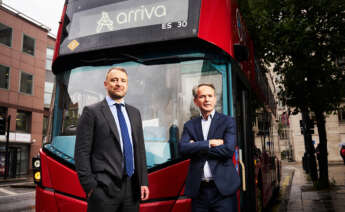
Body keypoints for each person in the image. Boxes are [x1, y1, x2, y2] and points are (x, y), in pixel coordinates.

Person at [75, 67, 149, 212]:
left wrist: (143, 182)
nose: (118, 84)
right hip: (103, 189)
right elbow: (81, 152)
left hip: (132, 190)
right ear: (106, 84)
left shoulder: (135, 113)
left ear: (127, 85)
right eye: (114, 80)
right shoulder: (91, 112)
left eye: (123, 81)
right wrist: (90, 187)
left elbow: (139, 150)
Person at [178, 83, 240, 212]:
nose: (207, 100)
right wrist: (209, 143)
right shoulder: (190, 125)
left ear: (215, 99)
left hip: (223, 192)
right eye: (202, 96)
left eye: (210, 96)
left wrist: (195, 146)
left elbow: (228, 150)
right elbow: (183, 149)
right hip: (199, 191)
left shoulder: (228, 121)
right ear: (196, 101)